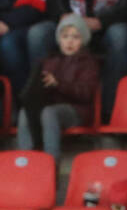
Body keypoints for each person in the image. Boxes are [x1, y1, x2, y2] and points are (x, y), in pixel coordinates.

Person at [51, 0, 127, 120]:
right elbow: (53, 0)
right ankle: (46, 111)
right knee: (40, 34)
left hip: (113, 26)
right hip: (74, 26)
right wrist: (62, 15)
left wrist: (100, 22)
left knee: (119, 35)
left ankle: (109, 113)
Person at [17, 14, 99, 162]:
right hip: (52, 106)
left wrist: (59, 84)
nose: (69, 41)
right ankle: (26, 160)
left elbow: (87, 93)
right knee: (25, 112)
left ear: (84, 40)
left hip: (78, 110)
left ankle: (51, 162)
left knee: (49, 112)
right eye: (65, 36)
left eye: (76, 37)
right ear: (59, 39)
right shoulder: (50, 60)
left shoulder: (88, 62)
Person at [0, 0, 58, 96]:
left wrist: (7, 23)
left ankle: (28, 98)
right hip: (8, 24)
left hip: (30, 24)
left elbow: (33, 7)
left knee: (8, 43)